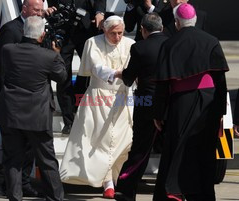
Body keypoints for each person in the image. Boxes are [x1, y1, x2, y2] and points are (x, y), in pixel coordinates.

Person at [152, 3, 229, 201]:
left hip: (181, 103)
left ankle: (175, 191)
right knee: (204, 150)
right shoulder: (211, 41)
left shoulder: (168, 44)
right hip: (209, 103)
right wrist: (221, 112)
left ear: (177, 22)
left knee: (177, 149)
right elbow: (221, 81)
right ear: (194, 21)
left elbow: (162, 85)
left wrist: (158, 114)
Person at [0, 16, 67, 201]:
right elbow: (62, 77)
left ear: (24, 31)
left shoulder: (8, 50)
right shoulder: (49, 56)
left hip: (11, 112)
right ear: (42, 35)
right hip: (37, 115)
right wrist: (56, 53)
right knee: (47, 160)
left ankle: (15, 197)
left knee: (12, 159)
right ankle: (55, 198)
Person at [59, 15, 135, 199]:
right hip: (98, 96)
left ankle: (112, 179)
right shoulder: (92, 42)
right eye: (113, 33)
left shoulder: (130, 44)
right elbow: (96, 67)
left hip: (123, 97)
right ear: (103, 30)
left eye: (120, 33)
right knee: (99, 141)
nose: (117, 37)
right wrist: (118, 73)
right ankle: (107, 183)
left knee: (122, 141)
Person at [114, 12, 168, 201]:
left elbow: (129, 78)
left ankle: (126, 190)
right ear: (161, 28)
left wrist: (123, 74)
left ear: (143, 30)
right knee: (170, 150)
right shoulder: (172, 44)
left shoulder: (139, 48)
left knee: (140, 149)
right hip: (170, 103)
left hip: (145, 103)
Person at [47, 0, 107, 134]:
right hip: (63, 29)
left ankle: (86, 112)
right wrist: (47, 8)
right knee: (63, 77)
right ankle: (68, 121)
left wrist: (99, 12)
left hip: (86, 29)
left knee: (91, 72)